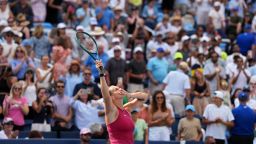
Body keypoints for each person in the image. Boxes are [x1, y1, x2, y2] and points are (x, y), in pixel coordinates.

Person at [95, 60, 148, 144]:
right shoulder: (111, 110)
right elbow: (105, 95)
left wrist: (129, 94)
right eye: (116, 89)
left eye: (120, 88)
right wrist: (102, 74)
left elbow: (145, 96)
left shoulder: (127, 109)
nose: (120, 89)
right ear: (111, 96)